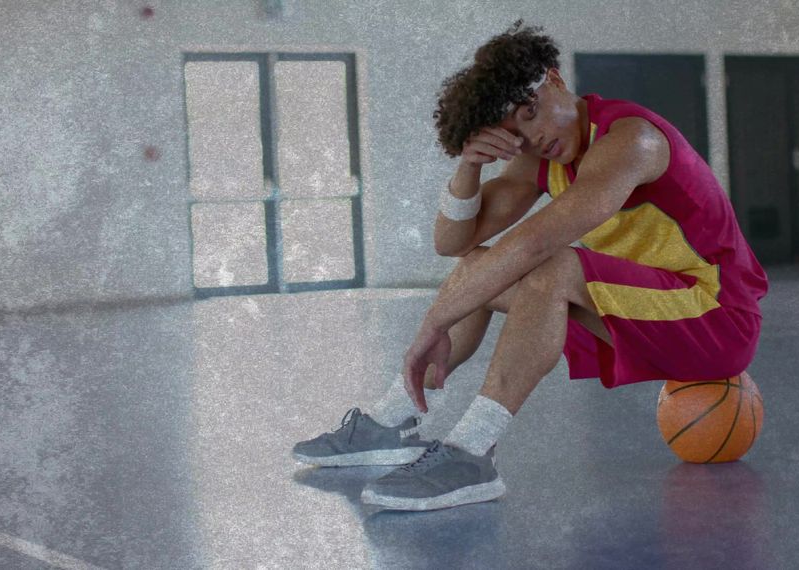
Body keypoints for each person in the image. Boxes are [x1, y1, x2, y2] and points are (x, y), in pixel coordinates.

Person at [292, 19, 769, 511]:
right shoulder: (543, 160)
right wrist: (469, 166)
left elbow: (537, 245)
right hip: (648, 312)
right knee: (480, 263)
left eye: (531, 111)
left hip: (717, 320)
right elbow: (452, 242)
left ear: (555, 79)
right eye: (513, 130)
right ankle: (390, 419)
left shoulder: (631, 141)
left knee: (549, 266)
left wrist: (434, 324)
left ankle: (473, 450)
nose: (533, 136)